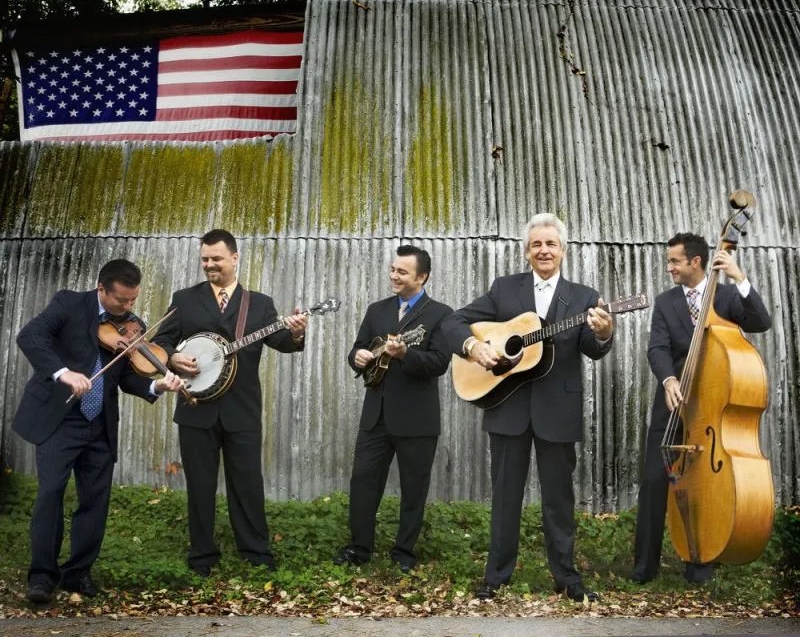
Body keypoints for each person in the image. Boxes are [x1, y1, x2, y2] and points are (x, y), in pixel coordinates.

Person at [443, 213, 614, 602]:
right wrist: (474, 346)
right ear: (526, 252)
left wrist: (603, 333)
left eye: (551, 244)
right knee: (505, 497)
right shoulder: (504, 290)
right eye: (536, 244)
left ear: (563, 251)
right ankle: (497, 576)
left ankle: (567, 577)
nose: (544, 250)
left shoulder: (584, 296)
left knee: (559, 500)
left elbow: (592, 347)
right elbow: (455, 321)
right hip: (509, 406)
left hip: (558, 409)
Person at [13, 259, 185, 604]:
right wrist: (64, 373)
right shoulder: (68, 303)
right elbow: (29, 337)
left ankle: (77, 574)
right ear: (101, 289)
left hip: (99, 424)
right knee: (50, 493)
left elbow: (127, 377)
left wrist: (157, 387)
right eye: (121, 300)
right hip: (60, 418)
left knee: (95, 501)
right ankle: (42, 577)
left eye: (133, 300)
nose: (128, 308)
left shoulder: (131, 328)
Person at [153, 229, 307, 577]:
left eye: (216, 259)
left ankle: (255, 552)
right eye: (205, 259)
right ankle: (202, 556)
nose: (209, 265)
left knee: (248, 482)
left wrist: (297, 330)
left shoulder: (260, 303)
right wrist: (174, 357)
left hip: (242, 410)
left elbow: (283, 341)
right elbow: (159, 343)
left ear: (234, 258)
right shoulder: (184, 299)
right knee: (200, 485)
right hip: (196, 409)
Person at [631, 232, 772, 584]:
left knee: (704, 484)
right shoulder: (665, 303)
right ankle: (644, 567)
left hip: (713, 408)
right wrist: (668, 380)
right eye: (669, 261)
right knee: (653, 481)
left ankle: (700, 560)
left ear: (696, 262)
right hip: (674, 406)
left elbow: (761, 322)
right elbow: (657, 348)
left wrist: (739, 278)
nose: (670, 267)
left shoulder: (724, 296)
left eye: (675, 261)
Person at [334, 245, 453, 573]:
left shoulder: (441, 314)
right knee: (362, 482)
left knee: (414, 489)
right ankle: (359, 548)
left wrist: (405, 355)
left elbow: (439, 363)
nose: (393, 276)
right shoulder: (376, 310)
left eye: (401, 271)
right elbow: (359, 348)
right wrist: (356, 358)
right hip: (376, 415)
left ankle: (404, 553)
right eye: (392, 269)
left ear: (422, 276)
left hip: (417, 419)